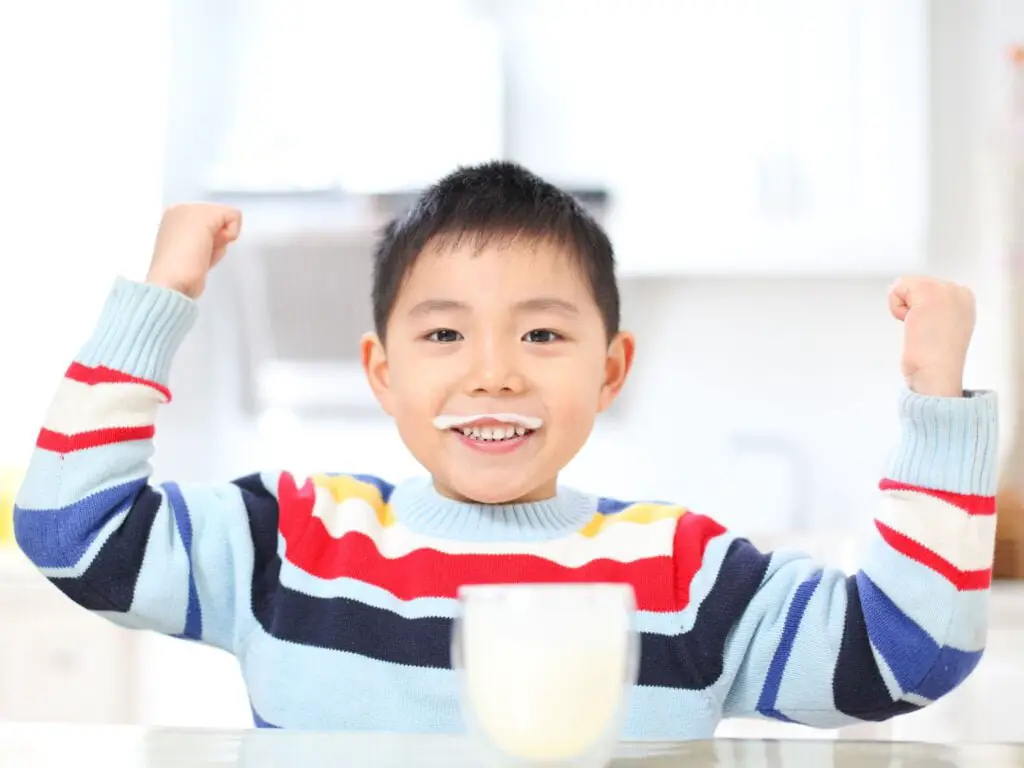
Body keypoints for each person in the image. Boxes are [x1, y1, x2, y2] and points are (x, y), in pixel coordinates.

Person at [14, 162, 996, 738]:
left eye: (541, 335)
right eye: (443, 335)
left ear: (610, 371)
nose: (494, 374)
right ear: (382, 371)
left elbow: (903, 659)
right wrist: (161, 297)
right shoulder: (291, 538)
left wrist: (937, 407)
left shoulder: (685, 572)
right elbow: (71, 531)